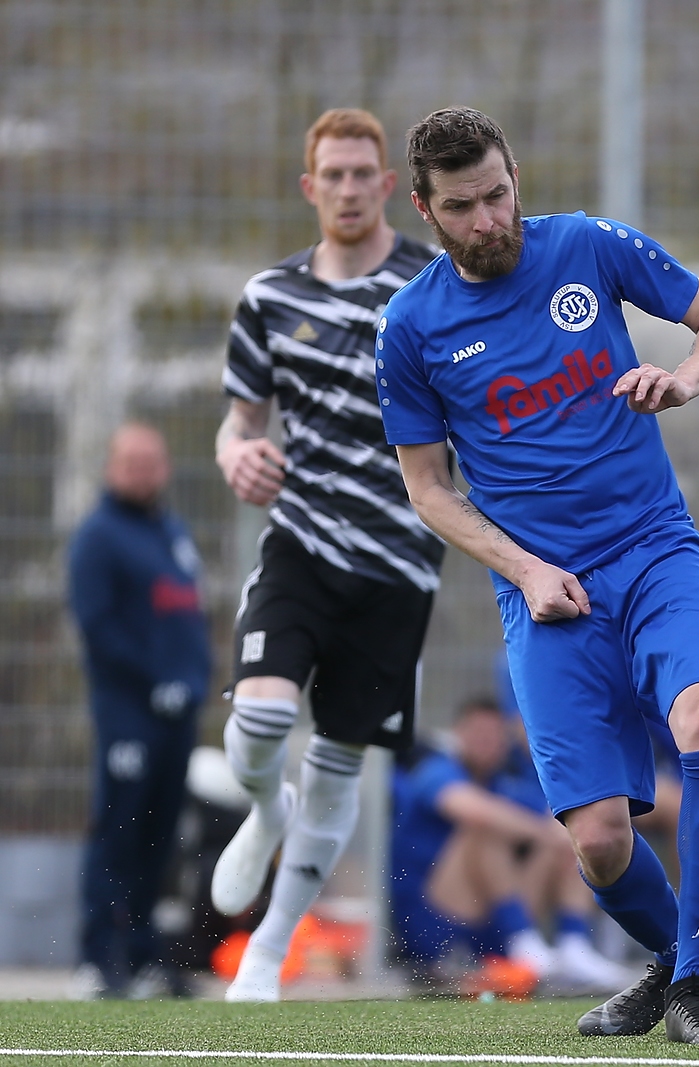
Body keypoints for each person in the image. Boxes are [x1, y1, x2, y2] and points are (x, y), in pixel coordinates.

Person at [379, 107, 699, 1044]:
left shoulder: (587, 245)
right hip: (546, 592)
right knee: (596, 839)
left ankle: (696, 988)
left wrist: (684, 377)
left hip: (655, 546)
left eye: (498, 195)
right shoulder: (412, 325)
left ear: (516, 177)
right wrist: (525, 567)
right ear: (423, 207)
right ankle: (673, 968)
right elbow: (428, 488)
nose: (488, 220)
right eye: (462, 207)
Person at [210, 108, 444, 1002]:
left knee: (342, 757)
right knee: (262, 725)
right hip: (302, 545)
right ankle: (268, 809)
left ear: (390, 186)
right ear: (310, 187)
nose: (348, 189)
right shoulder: (269, 297)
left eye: (363, 174)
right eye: (332, 176)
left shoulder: (432, 286)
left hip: (401, 564)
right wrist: (239, 456)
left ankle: (268, 952)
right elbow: (239, 427)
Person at [66, 423, 211, 999]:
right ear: (111, 466)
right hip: (128, 714)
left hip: (177, 714)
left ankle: (147, 957)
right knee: (118, 829)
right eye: (132, 461)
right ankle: (97, 959)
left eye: (152, 461)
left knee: (161, 834)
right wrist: (154, 683)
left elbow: (188, 621)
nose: (143, 471)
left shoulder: (171, 532)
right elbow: (97, 628)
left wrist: (193, 680)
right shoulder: (98, 537)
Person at [391, 697, 631, 993]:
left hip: (495, 920)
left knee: (570, 832)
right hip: (434, 919)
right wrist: (543, 832)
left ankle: (573, 945)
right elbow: (470, 809)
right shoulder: (435, 769)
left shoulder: (508, 782)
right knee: (483, 828)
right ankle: (523, 941)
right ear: (458, 735)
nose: (485, 742)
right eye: (477, 733)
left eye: (493, 735)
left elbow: (555, 821)